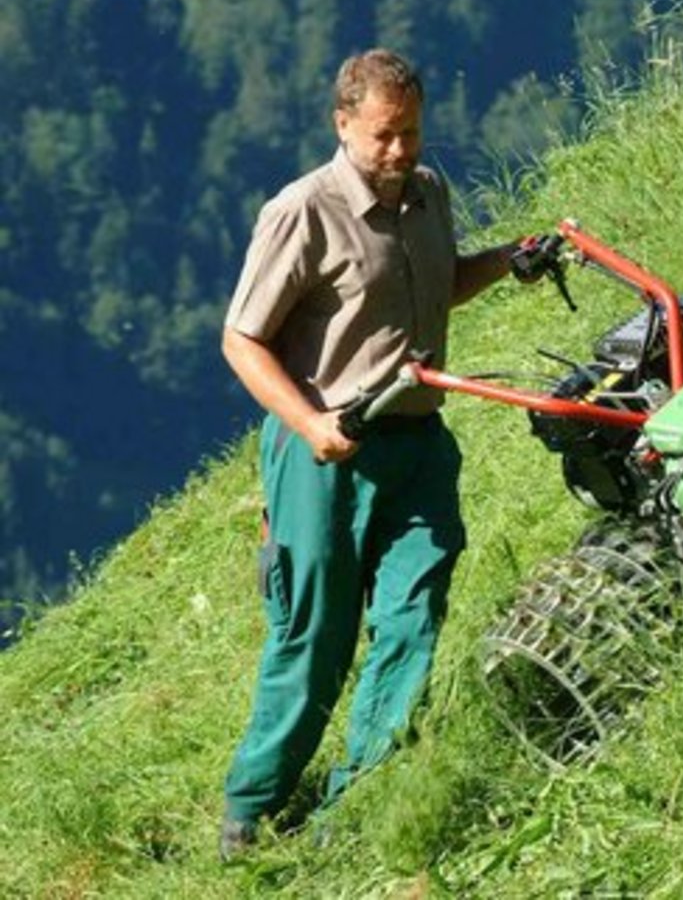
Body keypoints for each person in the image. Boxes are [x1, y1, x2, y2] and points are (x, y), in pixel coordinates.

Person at [218, 48, 531, 861]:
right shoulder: (304, 211)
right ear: (344, 123)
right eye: (385, 135)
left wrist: (508, 262)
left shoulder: (429, 195)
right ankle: (251, 804)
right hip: (324, 450)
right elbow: (243, 340)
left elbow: (434, 284)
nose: (401, 152)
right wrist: (312, 424)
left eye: (413, 133)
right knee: (316, 633)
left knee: (412, 615)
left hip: (419, 445)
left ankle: (356, 800)